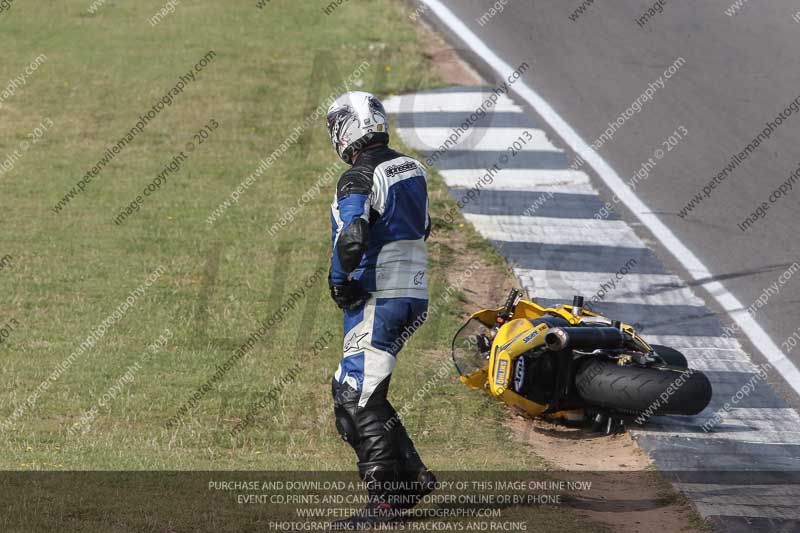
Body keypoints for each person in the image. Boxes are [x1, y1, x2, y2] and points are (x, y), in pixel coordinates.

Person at [325, 91, 436, 527]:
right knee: (359, 387)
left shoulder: (358, 177)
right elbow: (424, 227)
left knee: (355, 397)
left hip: (380, 296)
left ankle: (384, 504)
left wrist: (340, 281)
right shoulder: (412, 167)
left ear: (345, 129)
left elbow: (352, 236)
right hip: (413, 293)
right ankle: (412, 479)